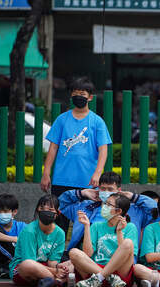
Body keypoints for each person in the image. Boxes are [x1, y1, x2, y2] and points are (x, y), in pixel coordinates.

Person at [40, 77, 112, 232]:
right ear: (71, 96)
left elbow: (103, 150)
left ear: (90, 97)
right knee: (59, 222)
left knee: (86, 222)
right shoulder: (62, 120)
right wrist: (46, 173)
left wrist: (97, 174)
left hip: (87, 181)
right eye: (75, 93)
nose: (79, 96)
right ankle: (57, 254)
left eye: (82, 93)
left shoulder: (97, 122)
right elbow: (53, 148)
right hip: (61, 179)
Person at [58, 171, 157, 253]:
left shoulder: (133, 211)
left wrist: (134, 197)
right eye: (102, 188)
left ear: (119, 190)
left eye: (110, 189)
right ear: (98, 189)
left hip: (120, 259)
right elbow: (61, 204)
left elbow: (156, 210)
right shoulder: (86, 207)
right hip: (89, 256)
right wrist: (81, 193)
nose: (106, 192)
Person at [70, 193, 137, 287]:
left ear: (118, 211)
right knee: (74, 252)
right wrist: (87, 226)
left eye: (108, 204)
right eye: (105, 203)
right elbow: (88, 254)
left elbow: (127, 257)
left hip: (120, 273)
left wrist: (119, 232)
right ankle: (108, 278)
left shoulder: (130, 227)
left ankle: (101, 277)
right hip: (95, 271)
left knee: (128, 243)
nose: (104, 206)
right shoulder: (96, 226)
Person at [9, 195, 68, 287]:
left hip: (46, 267)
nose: (45, 211)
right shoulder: (29, 231)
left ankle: (52, 281)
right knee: (27, 264)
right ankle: (58, 281)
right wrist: (55, 271)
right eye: (42, 208)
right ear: (38, 210)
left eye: (50, 209)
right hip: (23, 270)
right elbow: (29, 261)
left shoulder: (60, 233)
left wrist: (59, 267)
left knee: (72, 263)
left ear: (57, 213)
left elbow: (52, 261)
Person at [0, 194, 27, 278]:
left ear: (14, 212)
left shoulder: (22, 226)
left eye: (5, 211)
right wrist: (14, 239)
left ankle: (8, 267)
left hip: (16, 261)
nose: (1, 214)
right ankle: (12, 264)